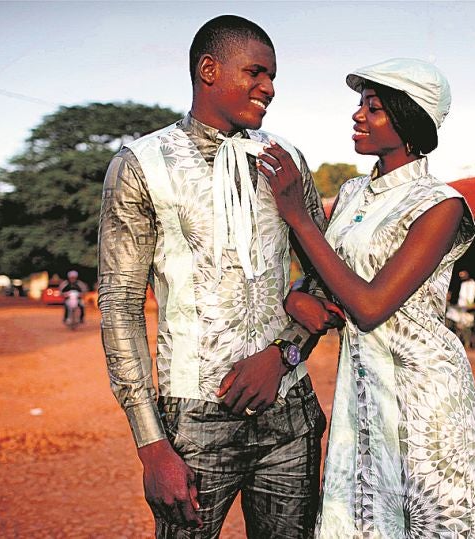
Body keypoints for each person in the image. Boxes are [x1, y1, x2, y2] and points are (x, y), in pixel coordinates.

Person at [97, 15, 342, 539]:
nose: (269, 89)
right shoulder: (142, 164)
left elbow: (327, 274)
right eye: (256, 72)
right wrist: (152, 445)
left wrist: (285, 354)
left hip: (290, 414)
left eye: (273, 76)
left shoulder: (285, 159)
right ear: (208, 69)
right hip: (192, 420)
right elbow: (118, 306)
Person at [261, 58, 475, 537]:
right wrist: (294, 294)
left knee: (430, 522)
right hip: (364, 387)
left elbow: (369, 307)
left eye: (374, 107)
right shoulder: (350, 194)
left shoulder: (441, 204)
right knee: (364, 520)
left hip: (426, 395)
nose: (358, 116)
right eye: (360, 105)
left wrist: (299, 218)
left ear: (409, 119)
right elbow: (327, 277)